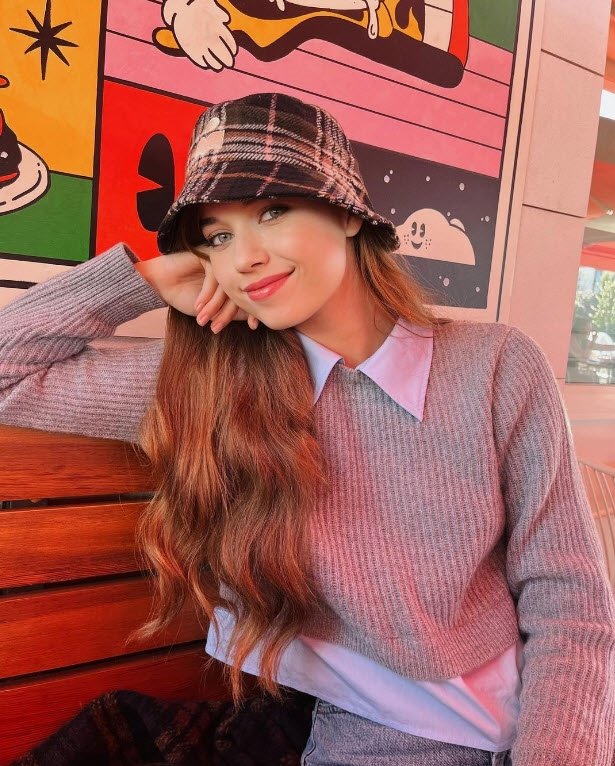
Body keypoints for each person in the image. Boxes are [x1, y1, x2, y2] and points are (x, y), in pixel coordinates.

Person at [0, 92, 614, 766]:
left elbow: (569, 597)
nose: (244, 257)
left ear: (348, 213)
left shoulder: (495, 364)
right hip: (377, 740)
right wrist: (140, 280)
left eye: (272, 211)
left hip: (554, 718)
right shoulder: (205, 383)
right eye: (217, 236)